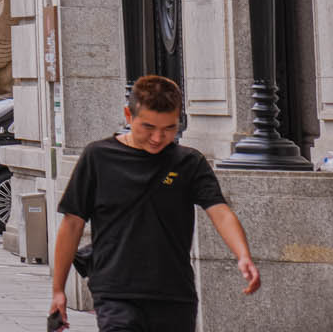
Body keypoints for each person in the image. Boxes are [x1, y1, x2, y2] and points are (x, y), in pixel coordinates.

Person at [51, 75, 258, 332]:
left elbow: (220, 212)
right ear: (129, 115)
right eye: (148, 127)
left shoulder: (189, 163)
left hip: (174, 293)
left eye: (169, 128)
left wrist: (243, 255)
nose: (158, 138)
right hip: (116, 291)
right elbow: (72, 224)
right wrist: (58, 290)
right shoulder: (98, 157)